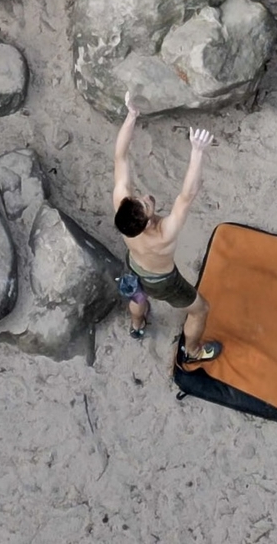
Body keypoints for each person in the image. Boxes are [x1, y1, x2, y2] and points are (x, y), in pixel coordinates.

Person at [112, 93, 222, 366]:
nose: (146, 197)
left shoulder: (121, 207)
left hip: (134, 264)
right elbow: (186, 196)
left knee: (137, 293)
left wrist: (132, 115)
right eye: (147, 205)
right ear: (149, 222)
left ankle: (137, 326)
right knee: (200, 310)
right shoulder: (163, 235)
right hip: (164, 282)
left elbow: (120, 156)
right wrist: (197, 153)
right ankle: (193, 351)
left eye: (140, 199)